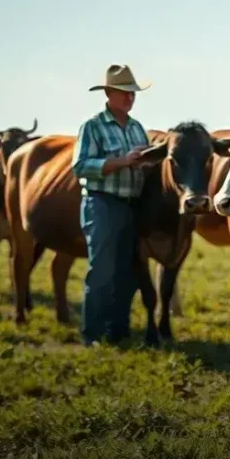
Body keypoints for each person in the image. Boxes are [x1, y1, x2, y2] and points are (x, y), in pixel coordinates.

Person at [70, 64, 152, 345]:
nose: (130, 98)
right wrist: (123, 162)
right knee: (102, 271)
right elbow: (80, 166)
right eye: (124, 93)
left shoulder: (138, 128)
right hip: (102, 204)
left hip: (131, 206)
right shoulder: (92, 126)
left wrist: (146, 161)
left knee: (127, 274)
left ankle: (118, 331)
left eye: (133, 93)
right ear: (108, 93)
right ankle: (92, 335)